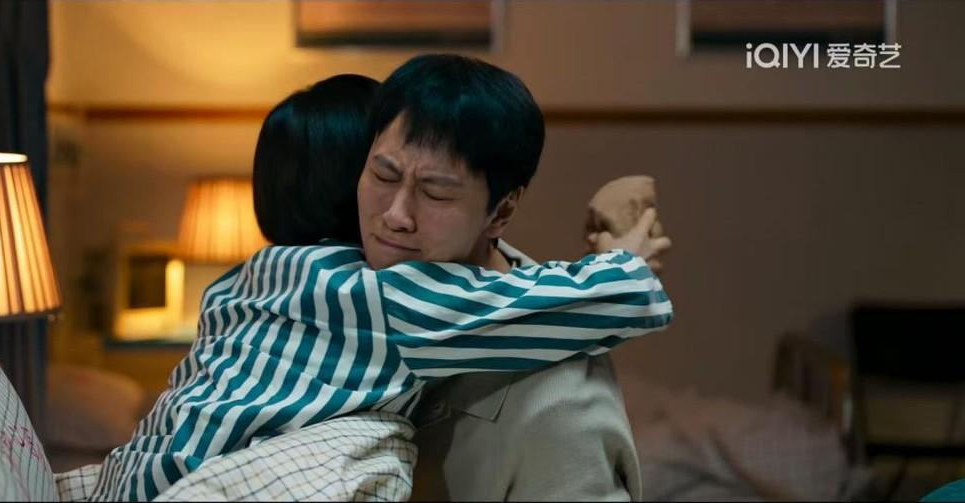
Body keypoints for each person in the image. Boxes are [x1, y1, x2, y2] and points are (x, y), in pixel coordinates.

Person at [90, 64, 672, 502]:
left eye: (436, 192)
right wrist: (625, 260)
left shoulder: (234, 286)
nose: (395, 215)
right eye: (381, 175)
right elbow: (613, 297)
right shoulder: (378, 296)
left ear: (501, 211)